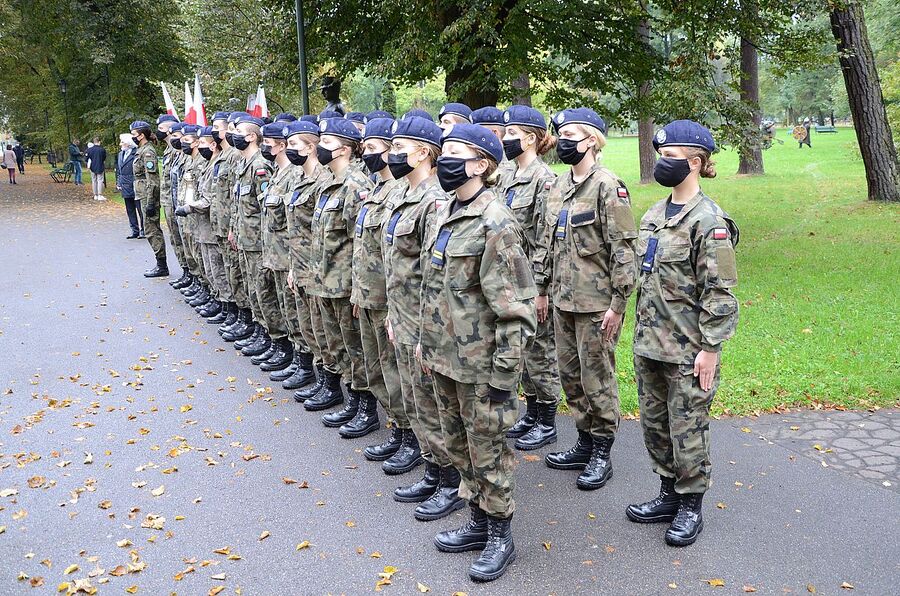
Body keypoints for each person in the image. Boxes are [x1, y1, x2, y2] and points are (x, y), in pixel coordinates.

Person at [418, 123, 537, 582]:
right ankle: (478, 520)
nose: (444, 159)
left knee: (488, 453)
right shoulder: (446, 210)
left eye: (455, 152)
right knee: (459, 447)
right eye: (442, 151)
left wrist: (504, 379)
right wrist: (427, 347)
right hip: (446, 359)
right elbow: (436, 290)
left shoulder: (497, 225)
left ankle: (500, 536)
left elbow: (516, 313)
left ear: (482, 165)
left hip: (482, 366)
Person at [626, 120, 739, 547]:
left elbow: (720, 291)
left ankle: (690, 506)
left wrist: (710, 348)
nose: (661, 164)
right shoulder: (655, 214)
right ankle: (666, 493)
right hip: (650, 344)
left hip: (688, 349)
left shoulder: (709, 221)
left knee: (687, 429)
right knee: (655, 425)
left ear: (695, 162)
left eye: (669, 158)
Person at [537, 108, 637, 491]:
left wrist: (618, 304)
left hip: (597, 304)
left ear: (592, 140)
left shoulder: (609, 187)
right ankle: (583, 439)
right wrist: (542, 289)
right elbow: (547, 243)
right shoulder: (558, 187)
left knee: (597, 377)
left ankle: (602, 450)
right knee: (570, 374)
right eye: (560, 134)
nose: (563, 141)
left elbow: (624, 250)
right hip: (562, 299)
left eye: (571, 134)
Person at [381, 117, 463, 521]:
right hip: (402, 313)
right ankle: (432, 468)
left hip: (423, 319)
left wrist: (424, 329)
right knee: (414, 398)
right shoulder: (402, 194)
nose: (393, 153)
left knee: (431, 403)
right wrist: (394, 314)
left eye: (401, 146)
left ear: (424, 152)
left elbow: (436, 274)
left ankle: (449, 480)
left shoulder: (433, 202)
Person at [497, 106, 562, 450]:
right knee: (521, 351)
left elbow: (546, 238)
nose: (505, 140)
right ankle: (533, 411)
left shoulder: (544, 179)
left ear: (532, 139)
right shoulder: (507, 174)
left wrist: (541, 288)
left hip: (531, 280)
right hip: (507, 278)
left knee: (540, 351)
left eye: (512, 134)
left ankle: (547, 419)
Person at [304, 117, 374, 419]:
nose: (321, 147)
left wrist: (357, 287)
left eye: (327, 143)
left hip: (344, 284)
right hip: (326, 281)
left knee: (354, 347)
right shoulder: (329, 184)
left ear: (345, 149)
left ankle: (365, 407)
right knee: (339, 346)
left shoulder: (355, 185)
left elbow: (359, 243)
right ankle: (350, 397)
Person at [351, 118, 409, 446]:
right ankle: (395, 428)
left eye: (374, 148)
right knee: (378, 370)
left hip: (389, 300)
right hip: (369, 294)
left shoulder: (401, 194)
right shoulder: (375, 190)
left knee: (396, 374)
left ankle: (408, 436)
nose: (367, 153)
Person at [284, 119, 333, 398]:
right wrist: (293, 267)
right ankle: (320, 376)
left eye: (293, 144)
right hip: (300, 266)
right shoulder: (299, 178)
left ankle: (332, 385)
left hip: (317, 271)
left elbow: (322, 236)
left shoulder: (322, 181)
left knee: (324, 333)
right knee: (308, 327)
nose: (287, 149)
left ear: (310, 146)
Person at [229, 115, 275, 360]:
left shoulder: (260, 166)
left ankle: (273, 340)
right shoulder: (242, 163)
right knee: (252, 290)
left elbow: (265, 210)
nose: (232, 134)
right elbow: (239, 205)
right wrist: (234, 230)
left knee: (263, 292)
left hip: (258, 242)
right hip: (245, 239)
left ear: (252, 136)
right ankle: (259, 331)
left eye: (237, 131)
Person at [129, 121, 167, 277]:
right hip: (142, 194)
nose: (132, 137)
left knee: (152, 230)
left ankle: (162, 265)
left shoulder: (148, 152)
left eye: (133, 134)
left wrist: (151, 202)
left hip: (148, 195)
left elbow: (152, 179)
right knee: (150, 229)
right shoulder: (141, 150)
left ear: (141, 135)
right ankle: (160, 263)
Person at [116, 134, 142, 238]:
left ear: (128, 143)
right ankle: (134, 230)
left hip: (135, 184)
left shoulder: (137, 153)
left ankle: (144, 230)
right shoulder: (120, 154)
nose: (120, 144)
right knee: (130, 209)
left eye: (122, 142)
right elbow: (119, 170)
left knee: (140, 208)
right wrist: (118, 182)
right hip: (125, 184)